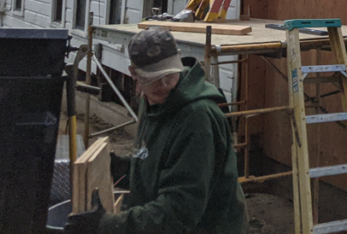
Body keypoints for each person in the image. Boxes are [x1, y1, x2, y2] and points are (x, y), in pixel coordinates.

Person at [66, 26, 248, 234]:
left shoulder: (198, 118)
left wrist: (108, 225)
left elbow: (179, 212)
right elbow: (160, 166)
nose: (162, 84)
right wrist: (121, 168)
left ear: (178, 60)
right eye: (152, 78)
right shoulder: (153, 101)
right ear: (134, 73)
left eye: (168, 75)